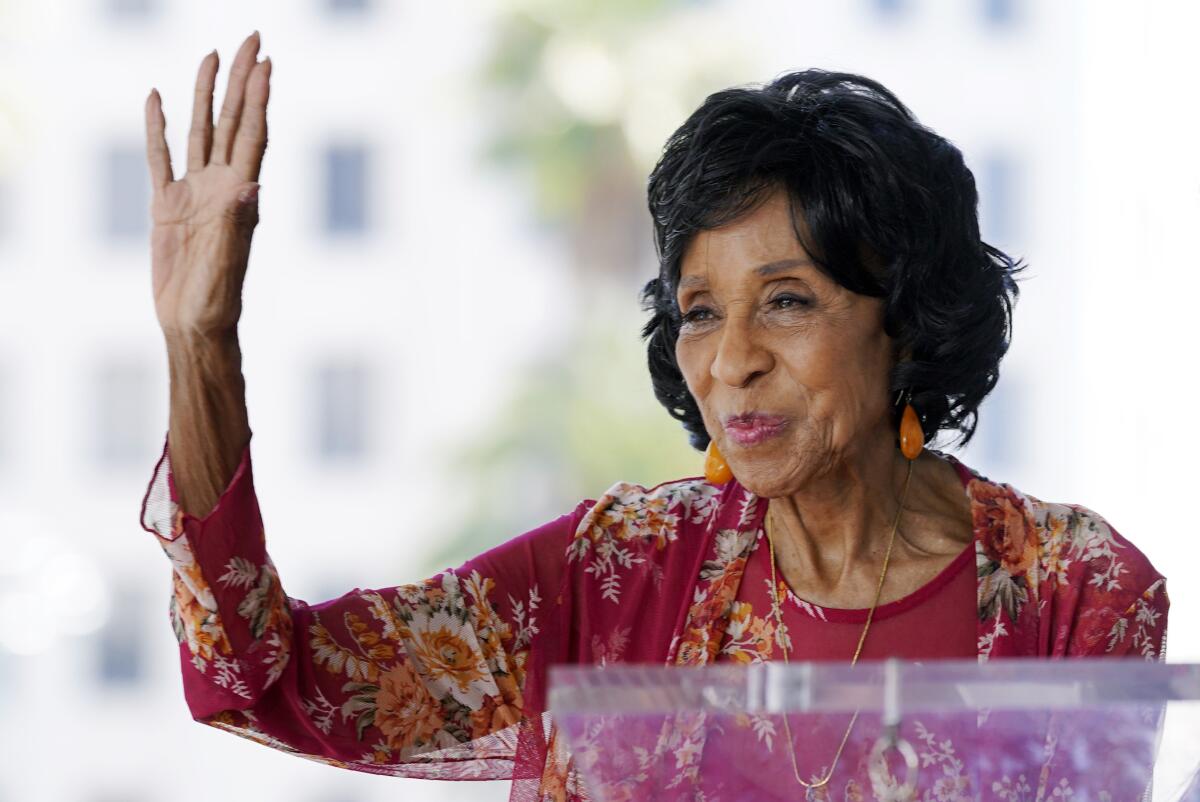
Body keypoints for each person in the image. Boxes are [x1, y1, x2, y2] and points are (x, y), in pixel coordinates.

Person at [140, 31, 1168, 802]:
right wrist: (202, 345)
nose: (731, 360)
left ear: (904, 315)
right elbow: (267, 677)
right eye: (700, 312)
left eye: (788, 300)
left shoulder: (1077, 592)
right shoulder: (617, 570)